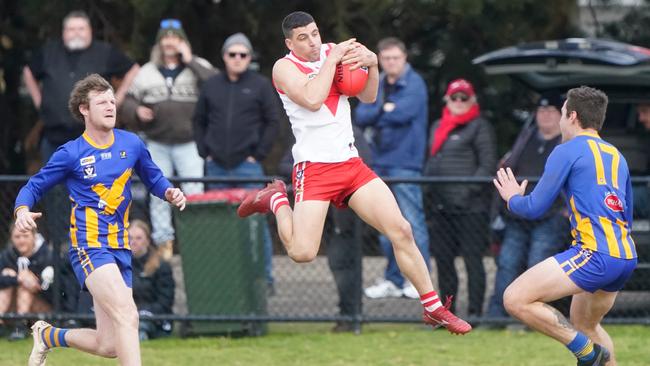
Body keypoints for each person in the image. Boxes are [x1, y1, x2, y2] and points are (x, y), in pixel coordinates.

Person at [237, 11, 471, 334]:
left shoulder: (334, 52)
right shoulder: (284, 67)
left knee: (402, 229)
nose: (312, 41)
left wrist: (372, 64)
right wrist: (332, 60)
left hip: (350, 164)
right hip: (314, 169)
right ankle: (278, 200)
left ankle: (432, 307)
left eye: (315, 33)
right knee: (303, 253)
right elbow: (312, 98)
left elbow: (369, 95)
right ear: (289, 43)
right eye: (302, 38)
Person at [14, 74, 186, 366]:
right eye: (101, 102)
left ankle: (48, 336)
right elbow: (34, 186)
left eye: (112, 101)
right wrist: (21, 211)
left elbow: (153, 177)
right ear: (84, 109)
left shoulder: (131, 144)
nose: (110, 106)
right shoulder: (71, 153)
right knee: (128, 314)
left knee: (110, 345)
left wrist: (169, 191)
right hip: (89, 246)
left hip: (120, 247)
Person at [494, 86, 637, 366]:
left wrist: (512, 198)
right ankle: (593, 352)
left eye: (561, 114)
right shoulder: (616, 155)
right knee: (586, 325)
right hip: (624, 254)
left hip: (595, 253)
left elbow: (534, 207)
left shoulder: (566, 150)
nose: (559, 121)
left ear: (572, 116)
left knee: (515, 299)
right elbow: (627, 213)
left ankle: (587, 353)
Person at [22, 10, 140, 252]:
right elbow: (28, 72)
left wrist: (116, 99)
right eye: (71, 29)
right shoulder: (49, 52)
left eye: (81, 28)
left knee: (97, 188)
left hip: (92, 138)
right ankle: (61, 245)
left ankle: (97, 242)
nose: (75, 33)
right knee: (54, 192)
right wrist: (39, 101)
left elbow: (133, 68)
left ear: (90, 32)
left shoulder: (104, 53)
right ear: (64, 33)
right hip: (55, 137)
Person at [122, 18, 215, 259]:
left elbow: (216, 85)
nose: (169, 42)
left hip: (189, 142)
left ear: (183, 41)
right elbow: (128, 102)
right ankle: (164, 244)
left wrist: (190, 60)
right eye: (165, 38)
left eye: (175, 38)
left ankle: (197, 241)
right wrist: (137, 111)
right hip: (158, 143)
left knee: (194, 191)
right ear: (159, 44)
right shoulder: (146, 72)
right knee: (159, 193)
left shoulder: (198, 66)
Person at [193, 32, 280, 290]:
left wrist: (259, 153)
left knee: (256, 226)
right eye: (233, 54)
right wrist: (204, 151)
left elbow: (273, 121)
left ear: (250, 57)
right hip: (216, 166)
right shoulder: (211, 86)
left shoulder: (261, 85)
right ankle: (223, 278)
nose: (238, 59)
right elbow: (199, 120)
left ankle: (263, 279)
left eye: (243, 54)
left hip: (248, 166)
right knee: (218, 225)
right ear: (224, 57)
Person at [354, 37, 430, 300]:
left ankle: (419, 282)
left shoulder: (415, 83)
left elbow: (402, 114)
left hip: (406, 164)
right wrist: (383, 109)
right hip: (379, 163)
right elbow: (361, 116)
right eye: (385, 59)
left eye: (395, 58)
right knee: (387, 227)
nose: (390, 63)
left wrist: (381, 110)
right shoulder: (377, 82)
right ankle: (394, 279)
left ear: (405, 58)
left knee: (413, 225)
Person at [487, 92, 567, 319]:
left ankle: (537, 319)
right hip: (518, 213)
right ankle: (495, 318)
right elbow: (507, 167)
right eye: (541, 111)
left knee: (538, 264)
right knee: (507, 263)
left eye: (551, 111)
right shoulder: (525, 138)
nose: (546, 116)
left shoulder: (565, 144)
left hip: (550, 215)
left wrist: (564, 212)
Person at [424, 78, 496, 317]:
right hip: (441, 207)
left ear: (472, 100)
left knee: (472, 261)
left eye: (463, 97)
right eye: (454, 97)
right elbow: (432, 161)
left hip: (470, 209)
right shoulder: (438, 126)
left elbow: (487, 165)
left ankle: (475, 313)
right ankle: (448, 313)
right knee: (444, 263)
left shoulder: (480, 126)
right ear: (447, 99)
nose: (458, 102)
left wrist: (466, 193)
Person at [0, 224, 54, 341]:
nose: (21, 240)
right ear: (11, 238)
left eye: (25, 236)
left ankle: (20, 326)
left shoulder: (47, 254)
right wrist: (18, 279)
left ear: (34, 236)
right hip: (12, 308)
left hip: (42, 310)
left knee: (25, 286)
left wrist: (36, 282)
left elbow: (54, 291)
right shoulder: (8, 254)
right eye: (17, 237)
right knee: (8, 272)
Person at [128, 220, 175, 340]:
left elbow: (165, 300)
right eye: (130, 238)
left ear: (147, 241)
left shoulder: (160, 266)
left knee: (143, 326)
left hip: (153, 316)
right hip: (128, 314)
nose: (133, 242)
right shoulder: (120, 265)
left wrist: (144, 312)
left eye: (139, 238)